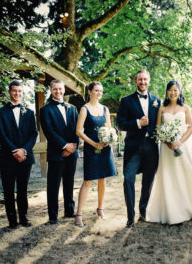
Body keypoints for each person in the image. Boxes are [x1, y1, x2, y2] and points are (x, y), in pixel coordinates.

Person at [146, 81, 192, 224]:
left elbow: (191, 128)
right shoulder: (161, 108)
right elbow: (158, 129)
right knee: (168, 176)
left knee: (184, 175)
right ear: (166, 92)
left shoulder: (185, 108)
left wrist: (179, 142)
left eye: (175, 90)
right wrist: (167, 142)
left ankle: (187, 208)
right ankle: (169, 210)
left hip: (182, 147)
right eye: (170, 90)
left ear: (179, 91)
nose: (172, 93)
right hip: (166, 149)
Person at [117, 70, 161, 228]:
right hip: (133, 148)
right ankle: (130, 216)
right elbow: (120, 123)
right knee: (128, 178)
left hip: (151, 147)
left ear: (149, 81)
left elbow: (160, 122)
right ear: (136, 81)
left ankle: (143, 211)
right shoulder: (126, 101)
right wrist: (137, 123)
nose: (143, 82)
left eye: (145, 79)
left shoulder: (157, 100)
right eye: (140, 79)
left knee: (148, 181)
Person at [0, 80, 38, 228]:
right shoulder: (0, 113)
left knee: (23, 190)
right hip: (8, 158)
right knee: (8, 191)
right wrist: (15, 151)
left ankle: (24, 218)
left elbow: (33, 134)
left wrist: (23, 150)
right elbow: (1, 135)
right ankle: (12, 221)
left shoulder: (29, 112)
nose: (17, 94)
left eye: (19, 91)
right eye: (14, 91)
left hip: (25, 157)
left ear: (22, 93)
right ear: (9, 92)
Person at [74, 82, 116, 227]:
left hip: (104, 148)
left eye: (101, 91)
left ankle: (100, 208)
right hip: (91, 148)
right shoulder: (84, 109)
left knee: (102, 179)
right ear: (90, 92)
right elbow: (79, 131)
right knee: (88, 180)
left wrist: (109, 139)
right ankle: (78, 214)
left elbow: (109, 129)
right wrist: (94, 144)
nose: (99, 93)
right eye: (96, 90)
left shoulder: (105, 109)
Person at [40, 80, 79, 224]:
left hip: (72, 153)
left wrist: (72, 147)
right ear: (51, 91)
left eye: (60, 89)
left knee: (69, 183)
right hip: (56, 153)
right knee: (53, 185)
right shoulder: (45, 109)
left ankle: (70, 211)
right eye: (55, 89)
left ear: (64, 90)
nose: (58, 91)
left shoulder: (72, 108)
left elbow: (77, 129)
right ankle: (53, 216)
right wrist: (64, 146)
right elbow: (49, 132)